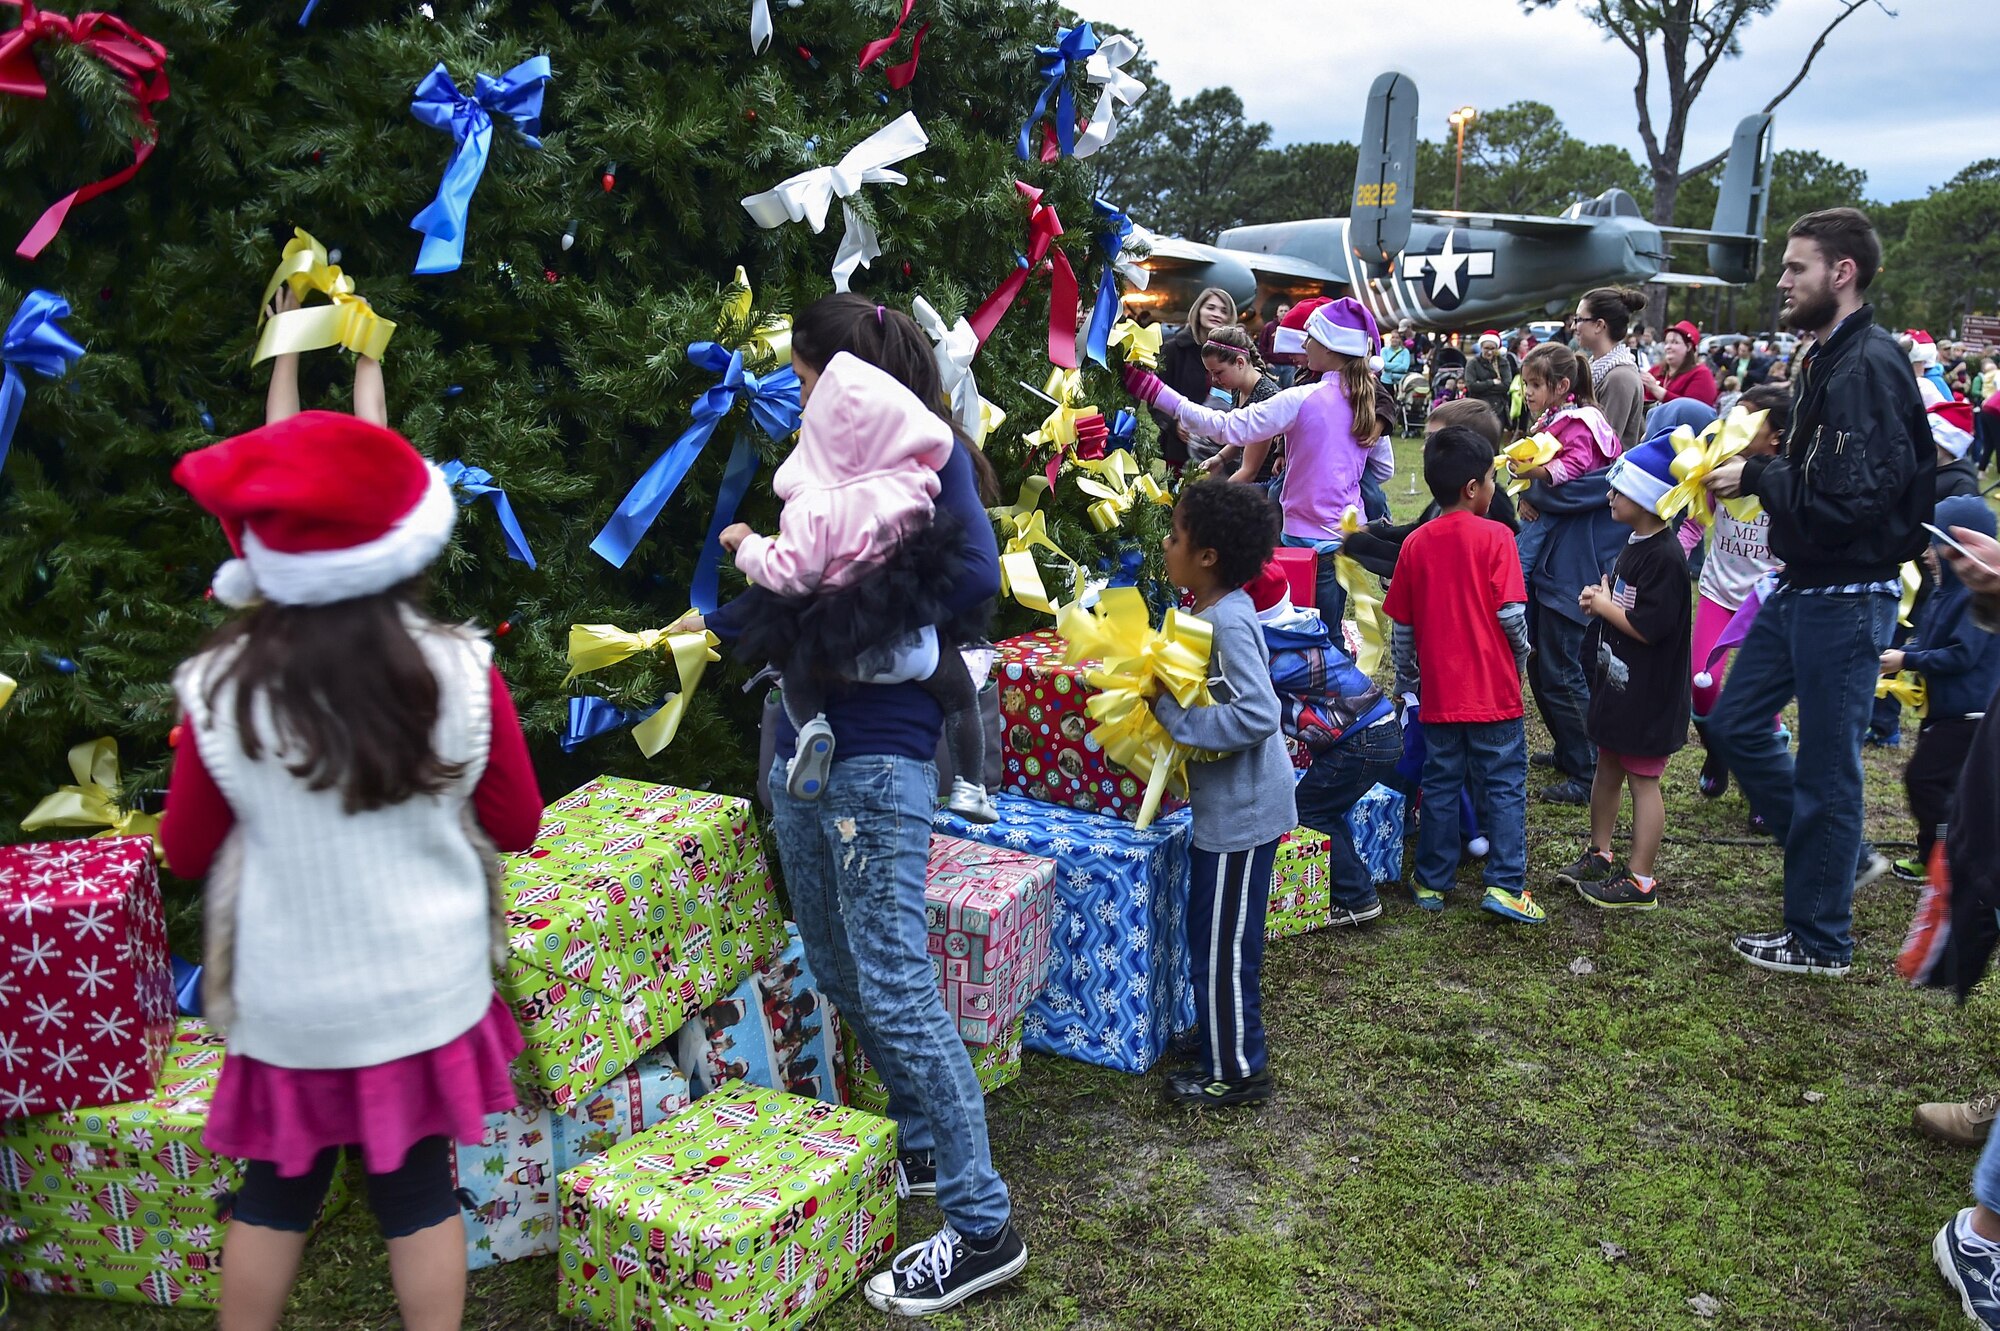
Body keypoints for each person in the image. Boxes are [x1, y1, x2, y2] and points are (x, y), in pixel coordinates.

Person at [160, 401, 543, 1331]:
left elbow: (185, 851)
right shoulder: (460, 670)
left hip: (292, 1002)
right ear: (401, 545)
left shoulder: (218, 691)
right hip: (422, 989)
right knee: (417, 1187)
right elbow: (519, 820)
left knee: (276, 1189)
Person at [687, 298, 1022, 1315]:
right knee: (833, 959)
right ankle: (917, 1141)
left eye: (799, 375)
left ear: (841, 379)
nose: (789, 393)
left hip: (877, 753)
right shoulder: (817, 468)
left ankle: (980, 1223)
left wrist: (844, 601)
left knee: (893, 978)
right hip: (800, 746)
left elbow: (970, 573)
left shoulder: (923, 462)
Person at [1705, 207, 1933, 978]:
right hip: (1803, 584)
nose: (1781, 280)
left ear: (1842, 273)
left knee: (1829, 769)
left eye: (1796, 267)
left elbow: (1850, 502)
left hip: (1848, 592)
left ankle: (1821, 937)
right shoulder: (1825, 356)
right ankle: (1848, 853)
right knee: (1734, 720)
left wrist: (1763, 475)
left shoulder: (1867, 365)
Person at [718, 334, 995, 824]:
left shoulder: (815, 502)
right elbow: (945, 561)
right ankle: (972, 786)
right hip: (917, 652)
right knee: (959, 697)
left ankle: (811, 731)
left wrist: (747, 546)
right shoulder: (913, 481)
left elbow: (789, 571)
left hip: (833, 655)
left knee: (794, 677)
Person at [1142, 483, 1297, 1108]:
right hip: (1226, 807)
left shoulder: (1227, 623)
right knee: (1210, 931)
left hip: (1243, 812)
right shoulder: (1208, 614)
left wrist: (1179, 721)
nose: (1166, 544)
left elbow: (1259, 713)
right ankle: (1217, 1032)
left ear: (1207, 555)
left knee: (1225, 945)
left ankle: (1236, 1071)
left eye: (1176, 536)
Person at [1125, 298, 1392, 627]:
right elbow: (1383, 469)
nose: (1304, 344)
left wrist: (1155, 392)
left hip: (1300, 537)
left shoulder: (1302, 398)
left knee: (1298, 630)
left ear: (1331, 348)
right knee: (1328, 629)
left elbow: (1226, 427)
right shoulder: (1367, 404)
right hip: (1341, 538)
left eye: (1311, 338)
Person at [1383, 424, 1540, 924]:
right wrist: (1522, 657)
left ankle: (1431, 881)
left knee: (1442, 781)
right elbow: (1512, 616)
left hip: (1438, 695)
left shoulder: (1415, 544)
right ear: (1473, 488)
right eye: (1493, 479)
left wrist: (1407, 683)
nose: (1495, 489)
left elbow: (1402, 629)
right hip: (1494, 692)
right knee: (1505, 784)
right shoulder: (1498, 538)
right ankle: (1506, 884)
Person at [1555, 432, 1692, 910]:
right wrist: (1607, 601)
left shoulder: (1667, 558)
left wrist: (1604, 605)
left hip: (1649, 697)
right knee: (1607, 768)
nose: (1609, 496)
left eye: (1619, 490)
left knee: (1643, 781)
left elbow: (1649, 627)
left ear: (1649, 498)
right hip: (1619, 690)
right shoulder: (1636, 543)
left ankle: (1640, 879)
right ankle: (1600, 852)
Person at [1251, 560, 1399, 926]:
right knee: (1325, 806)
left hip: (1362, 740)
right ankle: (1355, 890)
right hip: (1377, 730)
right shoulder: (1297, 629)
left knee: (1309, 811)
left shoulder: (1272, 655)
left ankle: (1356, 896)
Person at [1884, 496, 2000, 882]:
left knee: (1926, 781)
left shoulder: (1971, 596)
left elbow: (1961, 656)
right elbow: (1931, 640)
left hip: (1969, 716)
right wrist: (1907, 652)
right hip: (1944, 713)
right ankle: (1934, 853)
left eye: (1935, 544)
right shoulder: (1941, 594)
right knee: (1942, 786)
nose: (1927, 554)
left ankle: (1947, 858)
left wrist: (1909, 661)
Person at [1690, 383, 1792, 810]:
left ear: (1776, 437)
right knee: (1702, 684)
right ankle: (1718, 753)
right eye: (1734, 416)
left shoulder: (1788, 481)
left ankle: (1763, 792)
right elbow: (1697, 520)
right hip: (1717, 592)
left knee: (1759, 700)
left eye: (1748, 421)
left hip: (1764, 604)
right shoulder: (1719, 465)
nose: (1734, 427)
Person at [1154, 286, 1238, 469]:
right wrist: (1174, 425)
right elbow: (1156, 397)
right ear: (1198, 310)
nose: (1217, 314)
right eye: (1211, 307)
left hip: (1221, 449)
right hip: (1180, 447)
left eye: (1224, 311)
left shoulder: (1235, 355)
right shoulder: (1173, 349)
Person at [1196, 324, 1285, 486]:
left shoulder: (1265, 398)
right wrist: (1220, 458)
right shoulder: (1237, 388)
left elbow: (1249, 470)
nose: (1214, 379)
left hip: (1263, 487)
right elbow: (1243, 436)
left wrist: (1215, 496)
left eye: (1218, 372)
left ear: (1240, 362)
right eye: (1211, 373)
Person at [1573, 287, 1651, 451]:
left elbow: (1604, 446)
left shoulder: (1620, 377)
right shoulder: (1599, 367)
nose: (1574, 326)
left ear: (1599, 325)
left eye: (1579, 319)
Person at [1644, 320, 1718, 407]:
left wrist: (1656, 389)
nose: (1668, 347)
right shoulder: (1656, 370)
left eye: (1675, 342)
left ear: (1689, 347)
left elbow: (1692, 409)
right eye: (1666, 342)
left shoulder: (1701, 374)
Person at [1466, 331, 1512, 421]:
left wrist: (1481, 386)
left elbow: (1506, 385)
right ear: (1481, 348)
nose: (1490, 352)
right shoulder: (1473, 363)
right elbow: (1471, 386)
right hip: (1478, 407)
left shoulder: (1503, 362)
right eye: (1486, 348)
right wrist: (1492, 382)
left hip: (1499, 408)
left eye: (1493, 349)